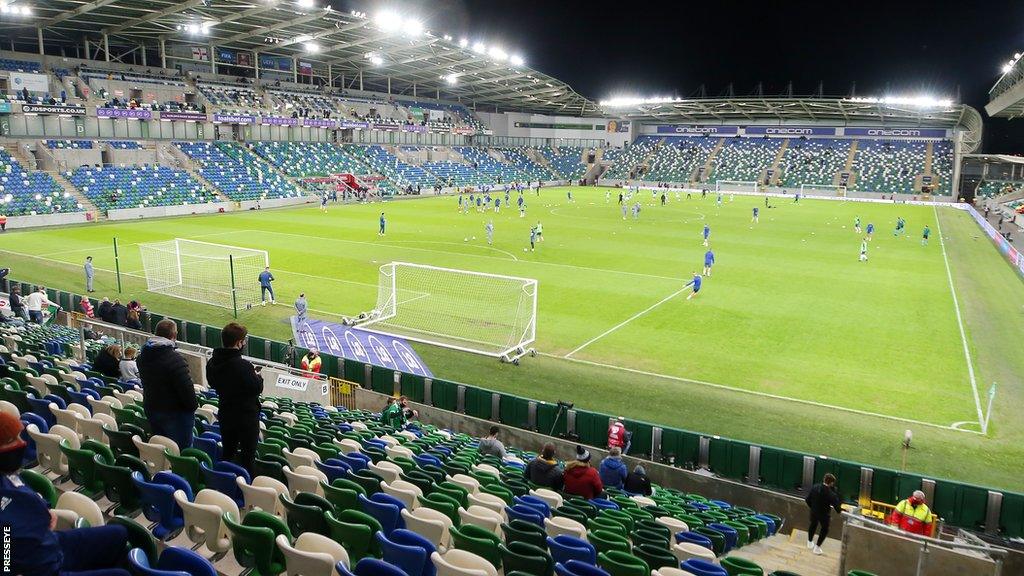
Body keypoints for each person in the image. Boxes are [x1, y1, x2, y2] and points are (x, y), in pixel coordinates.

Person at [0, 411, 132, 576]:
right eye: (12, 440)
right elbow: (6, 559)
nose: (22, 443)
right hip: (43, 568)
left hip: (51, 543)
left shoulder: (8, 475)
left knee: (119, 533)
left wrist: (45, 513)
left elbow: (29, 499)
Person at [207, 322, 263, 473]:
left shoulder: (212, 362)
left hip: (226, 413)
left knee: (228, 452)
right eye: (243, 340)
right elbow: (257, 388)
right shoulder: (243, 366)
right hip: (246, 418)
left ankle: (226, 482)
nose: (244, 343)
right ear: (238, 343)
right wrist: (258, 377)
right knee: (247, 458)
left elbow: (213, 382)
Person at [138, 319, 197, 450]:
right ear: (174, 335)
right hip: (174, 415)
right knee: (180, 452)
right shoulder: (175, 360)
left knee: (161, 448)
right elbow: (188, 393)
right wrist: (192, 407)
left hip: (152, 408)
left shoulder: (142, 356)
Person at [805, 472, 842, 555]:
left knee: (813, 525)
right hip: (824, 515)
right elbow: (838, 509)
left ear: (824, 479)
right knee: (825, 529)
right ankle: (817, 547)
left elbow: (807, 500)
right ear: (831, 483)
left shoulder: (815, 487)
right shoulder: (831, 494)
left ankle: (809, 542)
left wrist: (813, 507)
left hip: (814, 512)